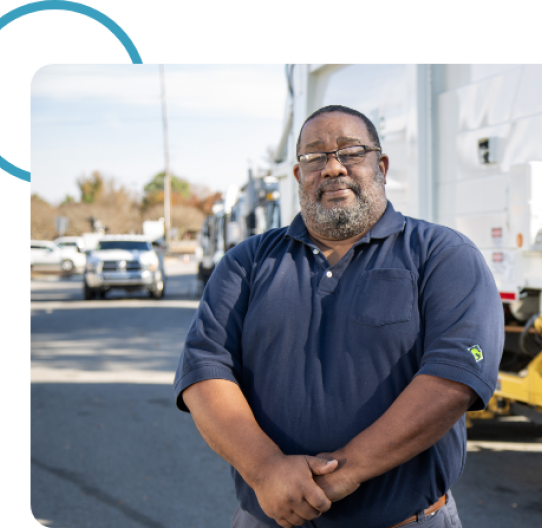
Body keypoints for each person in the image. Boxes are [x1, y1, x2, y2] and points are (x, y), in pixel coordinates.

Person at [174, 105, 504, 528]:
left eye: (350, 152)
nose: (332, 168)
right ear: (298, 177)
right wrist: (266, 470)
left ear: (380, 166)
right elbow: (205, 373)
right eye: (314, 157)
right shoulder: (247, 263)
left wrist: (344, 472)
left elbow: (455, 377)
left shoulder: (442, 255)